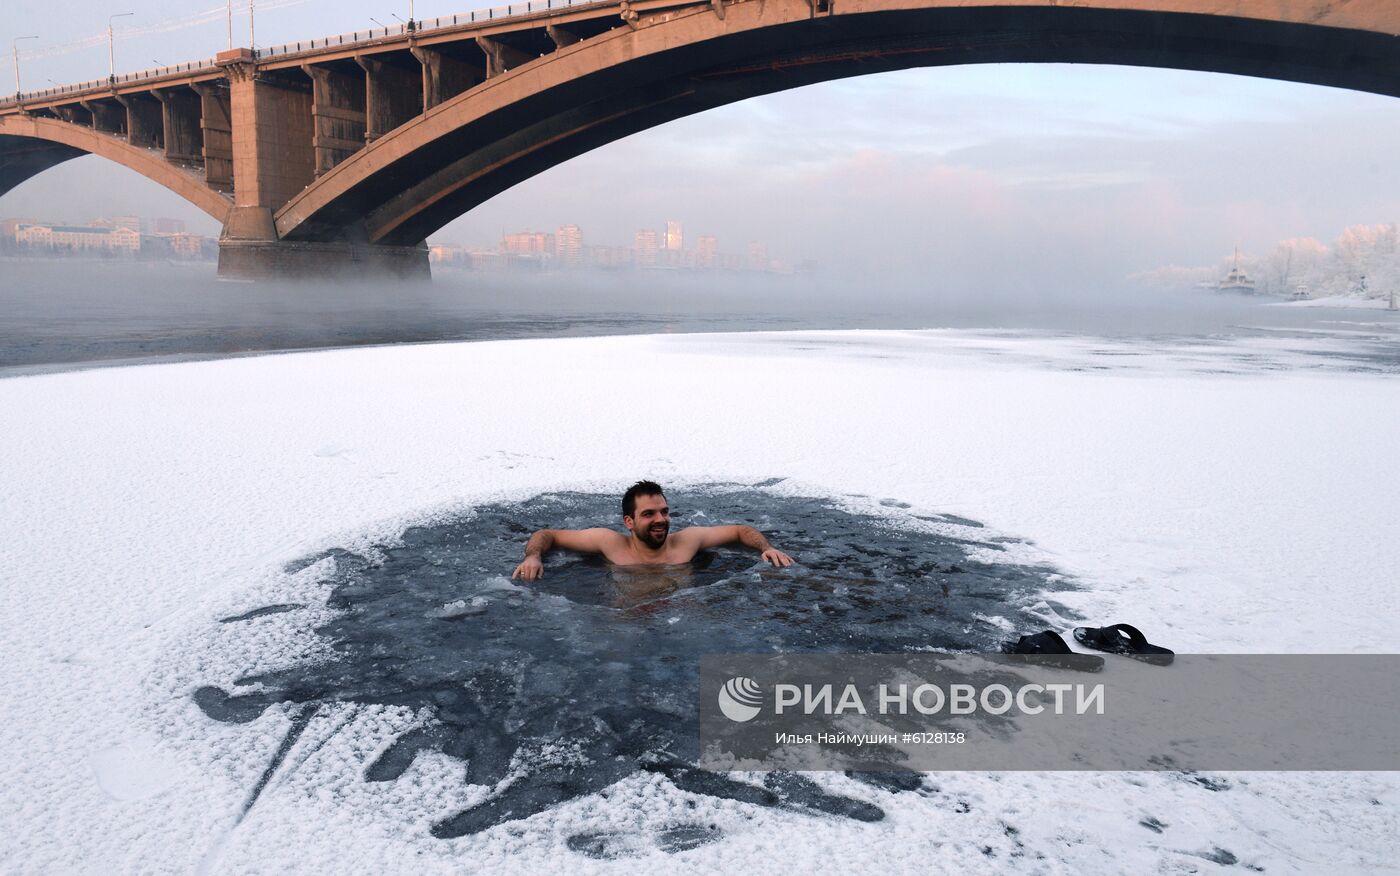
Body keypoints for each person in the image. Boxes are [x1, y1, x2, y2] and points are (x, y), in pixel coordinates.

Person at [511, 480, 794, 581]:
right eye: (648, 514)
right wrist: (533, 556)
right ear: (629, 522)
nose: (660, 519)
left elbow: (739, 531)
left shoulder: (688, 541)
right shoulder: (609, 544)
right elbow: (547, 534)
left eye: (664, 511)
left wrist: (765, 547)